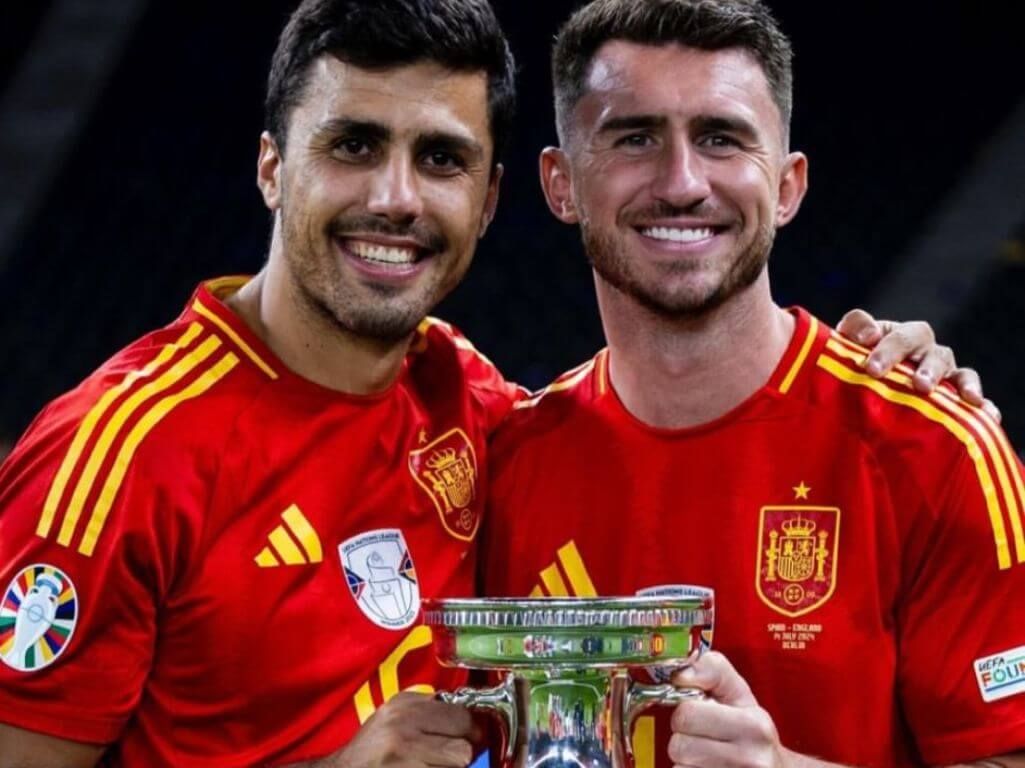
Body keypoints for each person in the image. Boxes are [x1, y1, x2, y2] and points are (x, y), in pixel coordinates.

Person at [0, 0, 995, 766]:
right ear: (271, 167)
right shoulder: (115, 457)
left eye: (439, 158)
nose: (394, 197)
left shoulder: (478, 415)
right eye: (352, 145)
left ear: (491, 200)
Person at [479, 1, 1025, 767]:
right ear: (561, 183)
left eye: (720, 138)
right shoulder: (500, 464)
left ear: (787, 185)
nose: (681, 182)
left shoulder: (935, 451)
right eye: (634, 137)